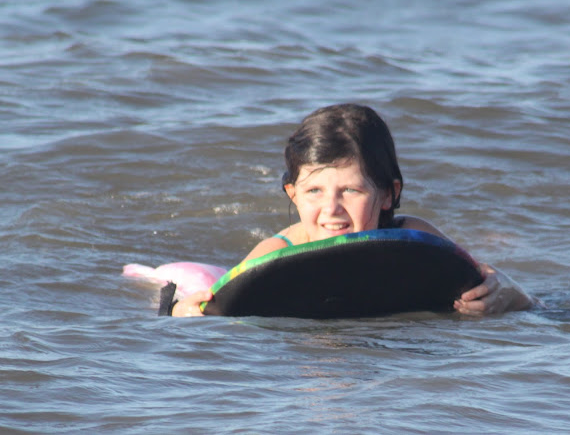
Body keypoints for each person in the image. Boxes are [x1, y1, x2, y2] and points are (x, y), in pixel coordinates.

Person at [172, 104, 533, 317]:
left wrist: (507, 294)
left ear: (389, 194)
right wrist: (182, 312)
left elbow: (514, 298)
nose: (332, 209)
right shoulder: (274, 254)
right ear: (293, 194)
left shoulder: (416, 240)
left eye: (350, 190)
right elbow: (220, 316)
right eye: (314, 191)